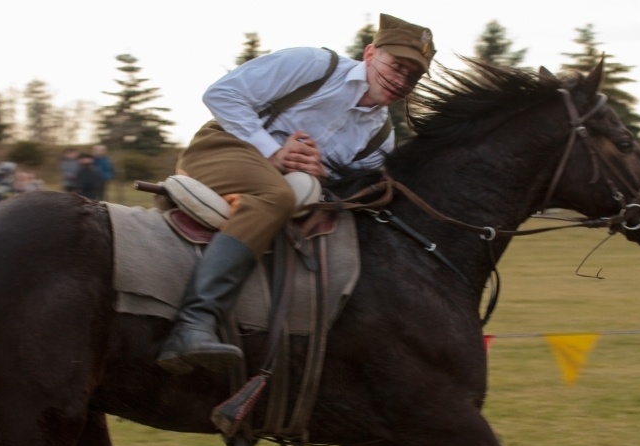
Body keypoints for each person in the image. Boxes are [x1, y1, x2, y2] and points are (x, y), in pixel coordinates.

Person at [156, 13, 435, 375]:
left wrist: (323, 175)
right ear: (370, 53)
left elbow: (342, 190)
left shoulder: (382, 141)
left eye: (412, 76)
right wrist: (272, 151)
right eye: (397, 66)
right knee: (276, 197)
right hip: (224, 147)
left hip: (287, 183)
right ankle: (193, 323)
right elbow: (222, 94)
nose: (401, 81)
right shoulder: (314, 65)